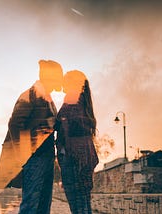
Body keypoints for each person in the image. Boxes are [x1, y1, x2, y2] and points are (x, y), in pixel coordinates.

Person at [0, 59, 63, 214]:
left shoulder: (47, 98)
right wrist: (27, 153)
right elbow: (14, 125)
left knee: (43, 206)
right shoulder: (30, 95)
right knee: (30, 206)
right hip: (34, 159)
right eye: (58, 76)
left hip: (46, 158)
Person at [55, 70, 99, 214]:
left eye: (66, 80)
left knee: (79, 205)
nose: (62, 83)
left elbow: (63, 125)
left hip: (74, 159)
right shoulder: (82, 103)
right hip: (83, 157)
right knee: (83, 203)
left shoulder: (72, 102)